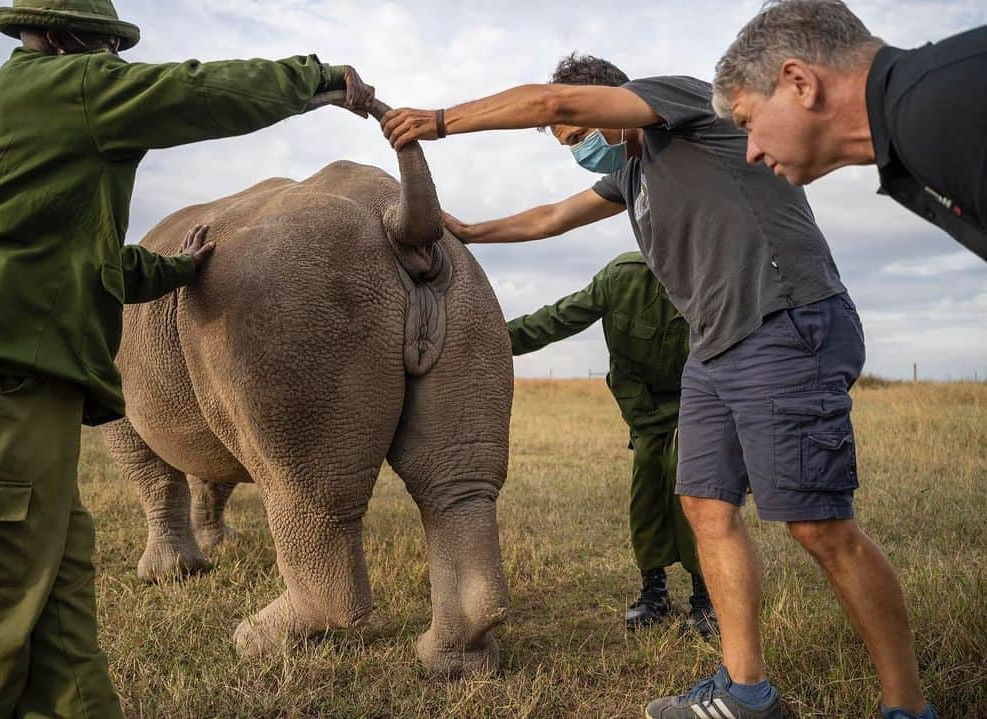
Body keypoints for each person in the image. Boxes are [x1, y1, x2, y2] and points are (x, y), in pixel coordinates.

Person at [382, 53, 933, 719]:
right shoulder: (631, 176)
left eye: (578, 132)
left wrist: (438, 123)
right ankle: (746, 692)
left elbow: (554, 101)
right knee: (704, 506)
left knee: (818, 525)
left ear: (603, 100)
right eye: (567, 146)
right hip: (713, 344)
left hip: (781, 318)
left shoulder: (684, 105)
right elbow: (551, 217)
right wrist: (468, 231)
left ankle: (907, 705)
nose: (576, 147)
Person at [0, 1, 374, 717]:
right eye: (103, 50)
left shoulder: (42, 113)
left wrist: (175, 272)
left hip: (23, 359)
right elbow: (194, 92)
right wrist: (319, 80)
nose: (113, 67)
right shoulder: (60, 85)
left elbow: (91, 261)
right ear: (64, 42)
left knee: (59, 581)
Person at [506, 252, 716, 636]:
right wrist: (495, 336)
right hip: (643, 402)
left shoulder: (714, 282)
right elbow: (558, 318)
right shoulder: (623, 278)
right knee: (648, 480)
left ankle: (706, 595)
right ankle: (654, 591)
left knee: (688, 481)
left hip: (698, 397)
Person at [711, 0, 986, 261]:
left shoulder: (941, 106)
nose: (752, 152)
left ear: (800, 83)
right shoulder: (920, 116)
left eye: (747, 122)